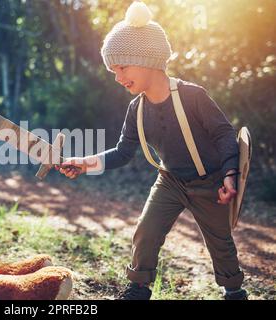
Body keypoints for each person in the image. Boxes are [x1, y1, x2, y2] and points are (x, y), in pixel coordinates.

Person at [56, 1, 247, 300]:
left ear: (147, 59)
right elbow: (122, 152)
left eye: (122, 67)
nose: (117, 77)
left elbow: (224, 133)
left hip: (209, 180)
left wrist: (230, 173)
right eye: (112, 71)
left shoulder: (193, 96)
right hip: (169, 181)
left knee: (220, 241)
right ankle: (138, 288)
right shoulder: (136, 109)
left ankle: (234, 290)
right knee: (146, 231)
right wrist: (85, 163)